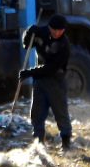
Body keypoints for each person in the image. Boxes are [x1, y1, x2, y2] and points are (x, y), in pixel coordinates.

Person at [19, 14, 72, 149]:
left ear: (64, 30)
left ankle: (66, 143)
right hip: (40, 80)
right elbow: (27, 45)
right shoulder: (42, 32)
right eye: (53, 29)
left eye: (59, 30)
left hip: (56, 80)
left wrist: (29, 72)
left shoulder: (64, 45)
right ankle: (39, 141)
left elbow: (51, 69)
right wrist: (29, 33)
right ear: (49, 27)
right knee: (37, 111)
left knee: (60, 112)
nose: (56, 32)